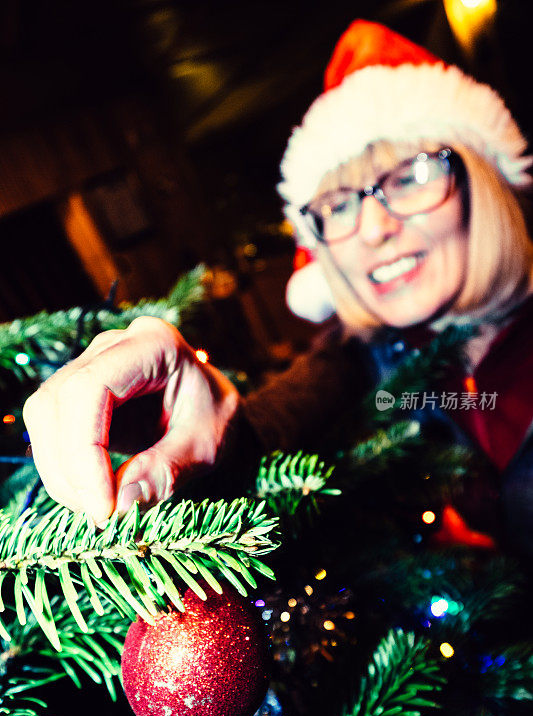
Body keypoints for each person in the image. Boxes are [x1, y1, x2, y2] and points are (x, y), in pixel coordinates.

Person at [23, 20, 533, 551]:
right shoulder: (364, 357)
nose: (374, 229)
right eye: (338, 206)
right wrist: (204, 430)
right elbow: (276, 425)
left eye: (409, 177)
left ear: (485, 183)